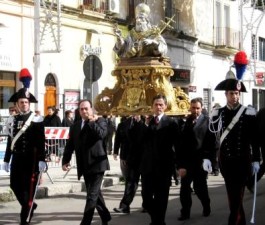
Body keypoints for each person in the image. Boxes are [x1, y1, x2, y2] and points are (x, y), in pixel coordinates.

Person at [202, 51, 260, 225]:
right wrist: (207, 156)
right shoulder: (217, 113)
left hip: (243, 160)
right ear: (225, 95)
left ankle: (232, 221)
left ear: (239, 94)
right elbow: (210, 137)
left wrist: (256, 159)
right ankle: (238, 220)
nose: (234, 96)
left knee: (238, 194)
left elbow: (254, 138)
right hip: (226, 161)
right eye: (230, 93)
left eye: (236, 93)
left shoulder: (248, 113)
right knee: (232, 193)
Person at [3, 68, 47, 225]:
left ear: (29, 103)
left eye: (26, 102)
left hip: (32, 160)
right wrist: (7, 159)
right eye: (21, 102)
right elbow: (10, 141)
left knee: (29, 193)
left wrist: (43, 160)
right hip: (17, 159)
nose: (24, 104)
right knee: (14, 185)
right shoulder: (12, 120)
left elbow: (41, 141)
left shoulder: (37, 119)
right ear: (17, 104)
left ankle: (25, 219)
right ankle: (30, 206)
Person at [62, 99, 111, 225]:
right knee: (95, 194)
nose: (84, 111)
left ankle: (85, 222)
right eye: (81, 109)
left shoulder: (100, 121)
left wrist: (92, 122)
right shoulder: (75, 126)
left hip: (98, 164)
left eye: (86, 108)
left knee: (91, 195)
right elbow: (70, 145)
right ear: (79, 111)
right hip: (84, 165)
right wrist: (65, 160)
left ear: (91, 109)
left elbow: (102, 135)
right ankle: (105, 216)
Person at [140, 94, 181, 225]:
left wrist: (179, 166)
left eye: (161, 105)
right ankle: (157, 220)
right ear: (152, 107)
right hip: (148, 167)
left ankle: (158, 221)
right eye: (156, 105)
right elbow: (140, 142)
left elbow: (178, 146)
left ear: (165, 106)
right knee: (146, 199)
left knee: (161, 198)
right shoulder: (148, 122)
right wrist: (144, 125)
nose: (158, 107)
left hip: (164, 167)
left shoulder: (171, 123)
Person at [177, 97, 211, 221]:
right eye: (193, 108)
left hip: (200, 161)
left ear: (201, 108)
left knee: (199, 188)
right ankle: (185, 212)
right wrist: (180, 164)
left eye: (197, 108)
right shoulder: (185, 121)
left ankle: (206, 204)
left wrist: (209, 160)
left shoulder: (207, 121)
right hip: (187, 162)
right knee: (184, 188)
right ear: (190, 108)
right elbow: (181, 144)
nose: (195, 110)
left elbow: (212, 142)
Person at [113, 115, 146, 214]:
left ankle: (147, 205)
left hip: (145, 158)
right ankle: (124, 206)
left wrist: (140, 122)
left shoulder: (146, 122)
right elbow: (118, 140)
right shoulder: (122, 125)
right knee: (131, 182)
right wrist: (116, 152)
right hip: (130, 158)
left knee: (146, 184)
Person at [246, 107, 265, 192]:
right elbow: (257, 129)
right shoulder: (262, 112)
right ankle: (250, 182)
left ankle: (250, 182)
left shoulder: (261, 111)